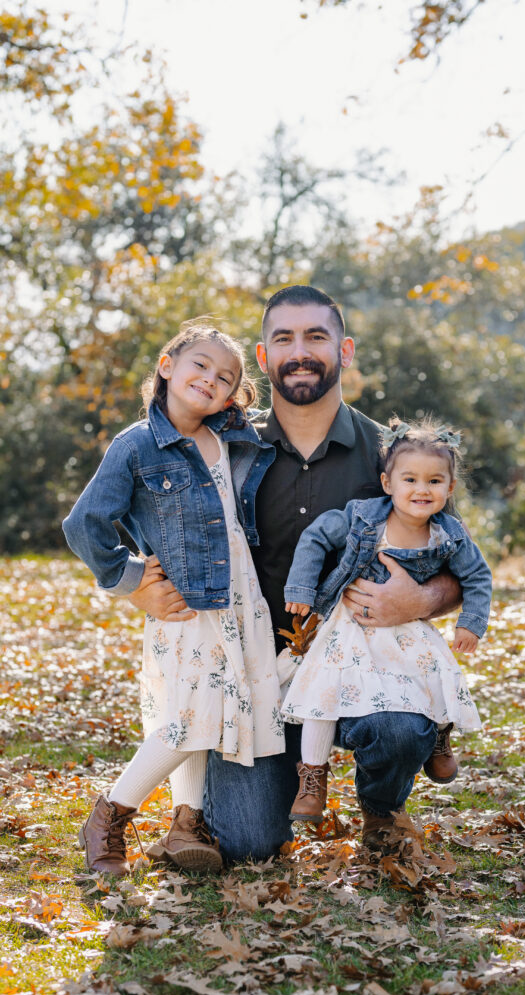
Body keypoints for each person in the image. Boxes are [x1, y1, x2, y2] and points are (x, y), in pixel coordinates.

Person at [127, 286, 465, 859]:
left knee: (404, 729)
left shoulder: (393, 456)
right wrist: (138, 585)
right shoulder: (223, 447)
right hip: (255, 675)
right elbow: (145, 518)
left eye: (316, 336)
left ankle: (382, 809)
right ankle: (217, 800)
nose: (300, 351)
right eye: (283, 338)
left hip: (360, 663)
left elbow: (456, 564)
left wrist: (421, 601)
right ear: (263, 358)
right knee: (249, 845)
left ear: (345, 350)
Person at [62, 323, 285, 876]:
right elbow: (85, 523)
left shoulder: (230, 438)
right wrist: (132, 579)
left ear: (234, 395)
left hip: (241, 602)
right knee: (188, 718)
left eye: (225, 378)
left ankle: (186, 822)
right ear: (167, 365)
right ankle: (110, 816)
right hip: (187, 605)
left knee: (213, 710)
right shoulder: (136, 444)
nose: (210, 380)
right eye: (200, 366)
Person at [282, 417, 491, 822]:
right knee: (320, 694)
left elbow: (477, 575)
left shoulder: (450, 534)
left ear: (449, 489)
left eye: (434, 481)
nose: (421, 489)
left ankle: (436, 739)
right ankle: (312, 776)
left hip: (407, 630)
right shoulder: (362, 517)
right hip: (350, 628)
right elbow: (316, 536)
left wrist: (471, 621)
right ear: (387, 483)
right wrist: (301, 589)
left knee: (431, 672)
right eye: (410, 479)